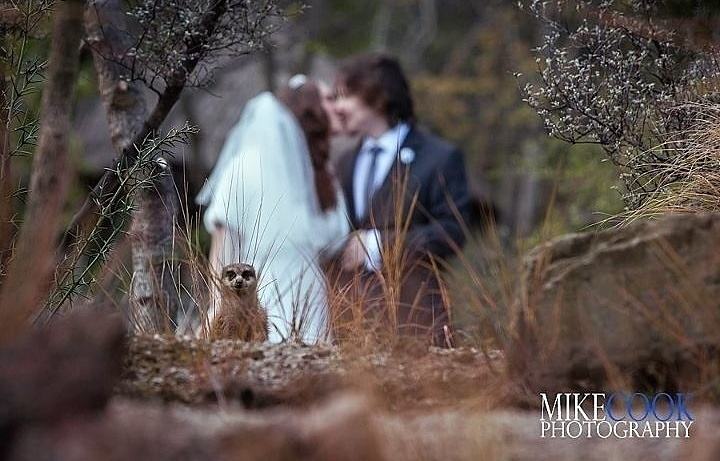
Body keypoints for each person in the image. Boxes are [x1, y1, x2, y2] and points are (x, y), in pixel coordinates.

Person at [331, 53, 471, 346]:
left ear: (379, 97)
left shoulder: (439, 157)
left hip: (417, 322)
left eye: (347, 95)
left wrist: (379, 245)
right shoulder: (343, 162)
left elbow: (453, 232)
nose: (338, 107)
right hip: (349, 329)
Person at [196, 76, 350, 344]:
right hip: (262, 296)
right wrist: (220, 306)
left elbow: (335, 244)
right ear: (308, 109)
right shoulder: (247, 165)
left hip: (313, 298)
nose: (338, 107)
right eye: (328, 99)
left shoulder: (324, 177)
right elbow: (225, 243)